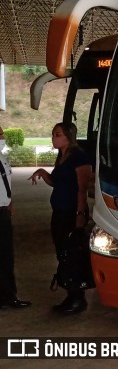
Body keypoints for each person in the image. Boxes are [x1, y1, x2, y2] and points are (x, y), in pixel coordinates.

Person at [29, 122, 92, 314]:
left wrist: (80, 216)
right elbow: (57, 182)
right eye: (53, 134)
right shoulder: (62, 157)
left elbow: (82, 189)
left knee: (72, 253)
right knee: (62, 252)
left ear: (68, 137)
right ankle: (70, 294)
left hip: (72, 213)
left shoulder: (79, 157)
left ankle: (77, 297)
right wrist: (43, 173)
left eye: (57, 134)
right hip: (60, 212)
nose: (53, 137)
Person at [0, 126, 31, 309]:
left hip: (3, 211)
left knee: (5, 257)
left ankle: (7, 296)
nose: (2, 137)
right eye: (0, 134)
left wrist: (8, 201)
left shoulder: (2, 158)